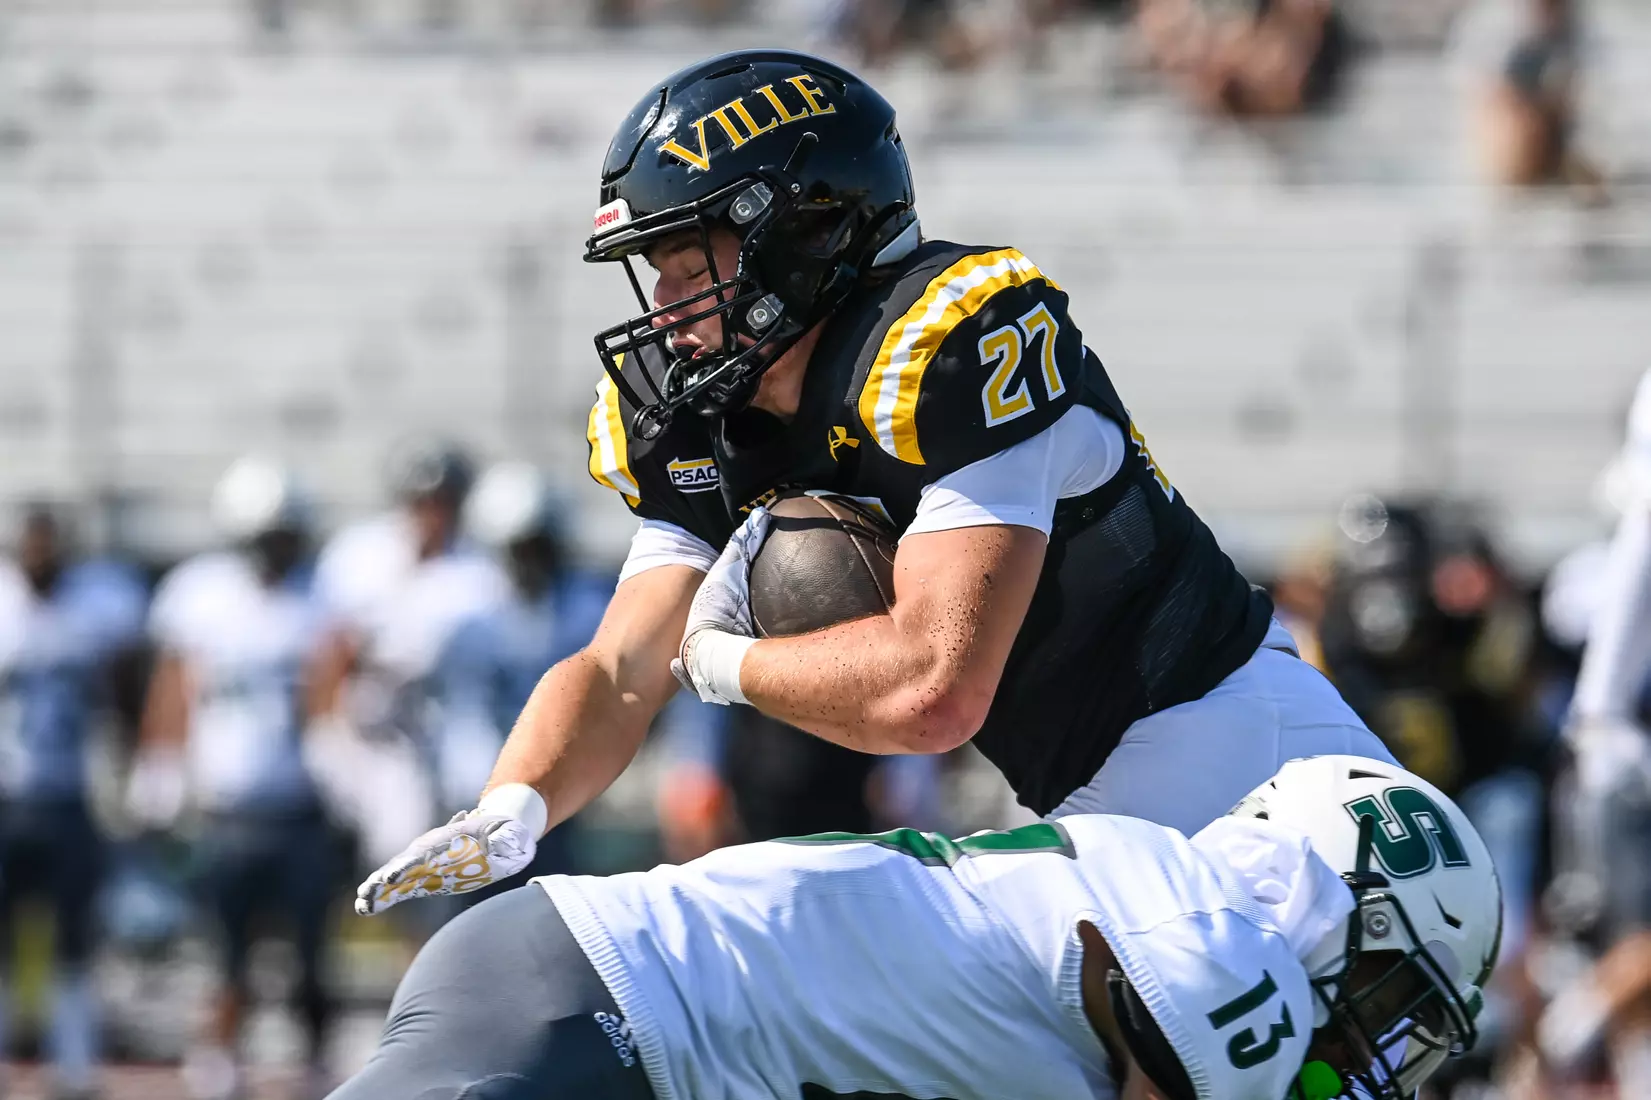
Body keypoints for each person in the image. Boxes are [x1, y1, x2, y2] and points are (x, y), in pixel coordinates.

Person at [355, 48, 1391, 915]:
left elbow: (934, 687)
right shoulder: (710, 416)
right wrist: (514, 804)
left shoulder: (942, 339)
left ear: (803, 233)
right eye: (654, 272)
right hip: (1090, 789)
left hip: (1242, 750)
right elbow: (624, 663)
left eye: (689, 264)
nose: (666, 308)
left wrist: (720, 664)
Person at [332, 755, 1501, 1100]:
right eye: (1391, 997)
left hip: (611, 1008)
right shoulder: (1226, 947)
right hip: (609, 1013)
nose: (1371, 1049)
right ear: (1340, 911)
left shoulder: (1166, 894)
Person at [130, 458, 338, 1100]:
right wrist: (160, 769)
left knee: (310, 960)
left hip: (302, 806)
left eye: (284, 538)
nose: (276, 552)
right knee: (225, 956)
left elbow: (334, 692)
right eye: (265, 538)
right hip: (227, 809)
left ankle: (316, 1073)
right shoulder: (202, 595)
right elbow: (175, 687)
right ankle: (217, 1073)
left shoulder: (320, 598)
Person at [305, 439, 508, 875]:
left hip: (452, 724)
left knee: (449, 855)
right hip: (372, 728)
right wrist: (326, 728)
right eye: (422, 501)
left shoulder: (481, 571)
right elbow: (331, 652)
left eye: (442, 501)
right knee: (383, 851)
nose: (432, 513)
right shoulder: (360, 555)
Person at [0, 503, 146, 1100]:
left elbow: (120, 692)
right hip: (6, 796)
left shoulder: (98, 605)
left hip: (69, 795)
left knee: (74, 937)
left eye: (47, 546)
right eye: (30, 546)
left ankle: (75, 1061)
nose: (39, 558)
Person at [430, 460, 614, 889]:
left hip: (562, 792)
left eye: (538, 548)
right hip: (488, 793)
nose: (530, 562)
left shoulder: (586, 607)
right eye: (520, 549)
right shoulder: (469, 613)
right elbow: (463, 713)